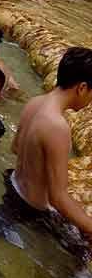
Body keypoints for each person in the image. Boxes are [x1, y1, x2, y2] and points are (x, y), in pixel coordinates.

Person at [9, 47, 92, 245]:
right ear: (82, 88)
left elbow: (15, 148)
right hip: (31, 211)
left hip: (12, 187)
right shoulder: (57, 126)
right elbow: (58, 198)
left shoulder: (35, 103)